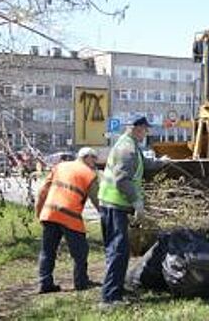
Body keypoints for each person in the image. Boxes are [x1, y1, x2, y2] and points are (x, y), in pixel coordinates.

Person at [98, 116, 169, 305]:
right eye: (145, 129)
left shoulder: (132, 146)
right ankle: (110, 298)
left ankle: (116, 290)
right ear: (137, 129)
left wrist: (160, 162)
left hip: (116, 205)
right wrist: (137, 201)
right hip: (114, 205)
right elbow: (122, 179)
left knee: (118, 250)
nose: (147, 133)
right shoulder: (126, 148)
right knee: (118, 251)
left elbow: (143, 165)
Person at [35, 147, 100, 294]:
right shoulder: (89, 174)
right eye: (94, 158)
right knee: (80, 252)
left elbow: (43, 191)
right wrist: (107, 216)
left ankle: (44, 283)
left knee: (48, 250)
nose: (95, 162)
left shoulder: (60, 166)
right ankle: (81, 282)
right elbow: (97, 201)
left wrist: (39, 213)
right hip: (70, 217)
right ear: (86, 157)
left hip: (50, 213)